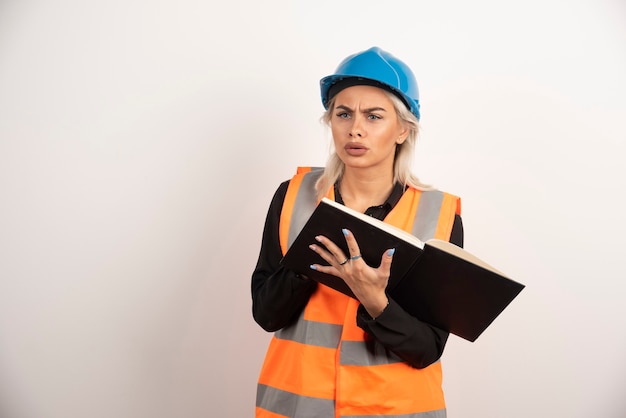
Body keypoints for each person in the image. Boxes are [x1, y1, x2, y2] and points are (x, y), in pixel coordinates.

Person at [251, 46, 463, 418]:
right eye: (343, 114)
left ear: (403, 129)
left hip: (394, 409)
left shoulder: (439, 216)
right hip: (299, 406)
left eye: (374, 116)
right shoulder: (292, 197)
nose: (355, 128)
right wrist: (305, 264)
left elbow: (427, 348)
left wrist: (375, 301)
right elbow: (267, 315)